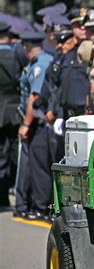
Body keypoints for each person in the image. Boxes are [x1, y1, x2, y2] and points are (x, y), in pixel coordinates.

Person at [16, 28, 53, 221]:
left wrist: (25, 124)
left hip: (38, 122)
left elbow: (34, 97)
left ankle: (41, 207)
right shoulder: (38, 62)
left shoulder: (41, 64)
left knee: (39, 167)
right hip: (36, 122)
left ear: (25, 46)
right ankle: (37, 205)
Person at [0, 22, 20, 207]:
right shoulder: (16, 55)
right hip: (14, 111)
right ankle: (10, 190)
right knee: (14, 152)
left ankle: (1, 195)